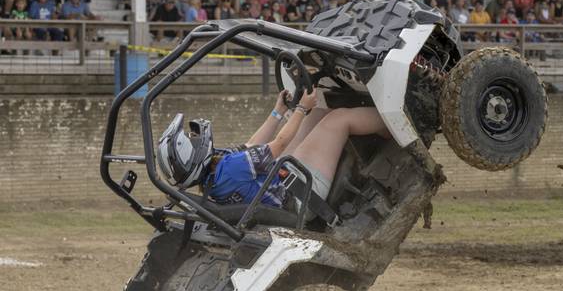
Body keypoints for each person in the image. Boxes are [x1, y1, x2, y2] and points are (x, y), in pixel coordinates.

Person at [157, 87, 389, 212]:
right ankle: (397, 123)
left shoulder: (215, 176)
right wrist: (299, 108)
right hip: (300, 194)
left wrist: (278, 112)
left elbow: (251, 146)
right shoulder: (228, 168)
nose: (196, 138)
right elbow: (278, 144)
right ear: (192, 157)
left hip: (285, 185)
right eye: (191, 140)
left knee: (318, 113)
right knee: (337, 120)